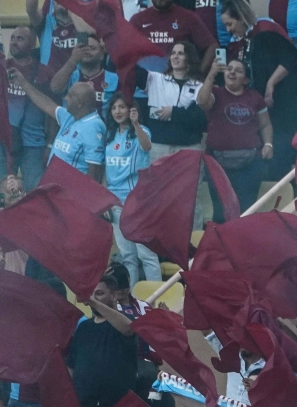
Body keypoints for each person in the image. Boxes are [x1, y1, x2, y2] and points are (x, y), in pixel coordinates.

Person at [220, 0, 297, 179]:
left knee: (280, 151)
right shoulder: (246, 40)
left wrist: (271, 83)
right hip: (267, 106)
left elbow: (290, 57)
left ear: (241, 17)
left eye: (230, 24)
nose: (228, 30)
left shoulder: (267, 31)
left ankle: (286, 191)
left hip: (286, 104)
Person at [196, 58, 273, 216]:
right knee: (220, 210)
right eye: (229, 69)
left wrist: (269, 144)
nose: (232, 72)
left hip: (250, 164)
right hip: (218, 163)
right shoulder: (215, 93)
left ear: (246, 79)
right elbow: (202, 102)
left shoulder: (255, 97)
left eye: (238, 70)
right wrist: (211, 74)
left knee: (246, 210)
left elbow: (265, 125)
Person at [66, 274, 139, 407]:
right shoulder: (84, 327)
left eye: (99, 293)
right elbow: (72, 365)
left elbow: (128, 329)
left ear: (113, 295)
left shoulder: (125, 321)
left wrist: (92, 302)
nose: (94, 298)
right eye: (91, 294)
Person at [9, 70, 105, 181]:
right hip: (55, 188)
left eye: (70, 96)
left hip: (72, 193)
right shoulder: (71, 116)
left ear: (80, 103)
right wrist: (23, 83)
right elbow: (47, 104)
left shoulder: (93, 127)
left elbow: (94, 171)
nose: (66, 98)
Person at [103, 94, 159, 283]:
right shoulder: (109, 135)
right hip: (116, 203)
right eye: (114, 108)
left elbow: (147, 146)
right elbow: (105, 170)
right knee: (128, 256)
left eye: (122, 107)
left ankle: (156, 299)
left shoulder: (141, 131)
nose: (117, 112)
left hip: (137, 202)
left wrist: (135, 124)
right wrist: (106, 202)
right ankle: (133, 300)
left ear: (131, 110)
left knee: (146, 254)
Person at [27, 0, 100, 75]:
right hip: (49, 74)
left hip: (81, 75)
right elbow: (32, 12)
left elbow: (91, 33)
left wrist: (69, 2)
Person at [131, 0, 217, 72]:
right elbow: (123, 50)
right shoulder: (137, 19)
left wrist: (198, 76)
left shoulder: (188, 17)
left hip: (177, 82)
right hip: (145, 83)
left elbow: (212, 47)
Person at [137, 41, 207, 162]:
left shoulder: (199, 87)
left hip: (188, 148)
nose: (175, 56)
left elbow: (200, 119)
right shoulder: (154, 79)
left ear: (189, 58)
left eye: (180, 53)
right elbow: (127, 69)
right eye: (173, 53)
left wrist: (174, 112)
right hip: (158, 147)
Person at [3, 26, 55, 188]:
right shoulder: (2, 68)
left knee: (35, 194)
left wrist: (49, 145)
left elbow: (52, 112)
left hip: (34, 144)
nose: (14, 42)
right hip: (3, 143)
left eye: (20, 39)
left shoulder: (44, 72)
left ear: (32, 45)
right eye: (12, 38)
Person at [49, 35, 117, 110]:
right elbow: (55, 88)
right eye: (83, 48)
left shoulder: (115, 79)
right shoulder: (69, 76)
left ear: (102, 55)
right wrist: (73, 59)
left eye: (92, 48)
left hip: (103, 121)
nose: (87, 51)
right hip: (73, 121)